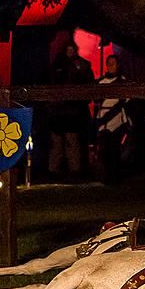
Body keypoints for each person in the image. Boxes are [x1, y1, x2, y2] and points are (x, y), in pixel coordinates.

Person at [47, 40, 94, 182]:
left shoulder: (81, 66)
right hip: (59, 112)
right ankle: (55, 171)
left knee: (71, 142)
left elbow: (86, 88)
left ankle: (74, 171)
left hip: (72, 111)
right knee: (57, 143)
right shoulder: (56, 66)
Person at [94, 54, 129, 185]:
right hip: (103, 119)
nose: (111, 66)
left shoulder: (122, 81)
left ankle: (116, 176)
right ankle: (107, 176)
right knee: (104, 150)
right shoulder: (100, 81)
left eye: (114, 63)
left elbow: (126, 100)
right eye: (109, 63)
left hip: (117, 120)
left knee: (115, 149)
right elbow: (96, 99)